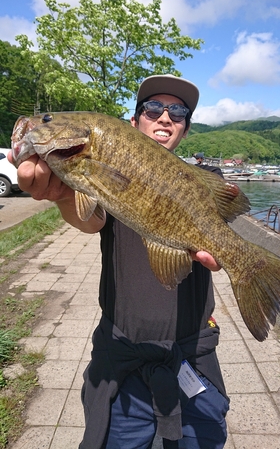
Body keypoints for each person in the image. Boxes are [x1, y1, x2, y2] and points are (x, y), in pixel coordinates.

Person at [9, 74, 229, 449]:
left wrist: (230, 249)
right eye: (153, 108)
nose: (165, 117)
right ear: (134, 122)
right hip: (122, 356)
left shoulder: (207, 178)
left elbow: (219, 231)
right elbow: (89, 219)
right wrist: (63, 196)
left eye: (177, 111)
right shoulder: (95, 162)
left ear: (186, 130)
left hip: (191, 355)